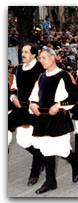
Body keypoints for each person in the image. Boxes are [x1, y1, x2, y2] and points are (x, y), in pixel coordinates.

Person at [29, 48, 78, 194]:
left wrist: (58, 105)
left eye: (43, 58)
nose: (41, 61)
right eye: (39, 59)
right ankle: (50, 181)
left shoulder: (64, 75)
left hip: (58, 118)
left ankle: (76, 164)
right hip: (43, 118)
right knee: (46, 150)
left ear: (52, 58)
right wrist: (32, 104)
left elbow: (74, 97)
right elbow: (34, 96)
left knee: (62, 149)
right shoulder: (41, 77)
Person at [9, 43, 45, 186]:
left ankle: (34, 172)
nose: (23, 54)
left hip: (35, 110)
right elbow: (12, 86)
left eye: (26, 52)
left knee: (35, 141)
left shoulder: (41, 69)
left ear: (34, 54)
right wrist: (13, 97)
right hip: (20, 109)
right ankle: (40, 157)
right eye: (22, 51)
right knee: (22, 141)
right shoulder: (17, 69)